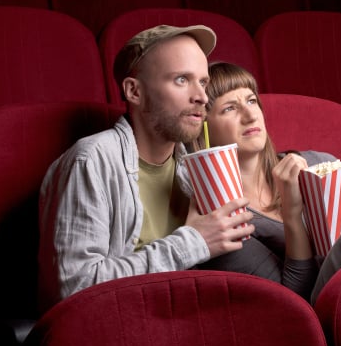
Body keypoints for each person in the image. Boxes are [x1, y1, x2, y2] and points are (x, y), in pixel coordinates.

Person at [37, 24, 255, 313]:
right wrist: (193, 243)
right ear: (134, 91)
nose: (202, 96)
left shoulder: (194, 165)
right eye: (181, 80)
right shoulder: (92, 160)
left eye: (203, 82)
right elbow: (75, 287)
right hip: (121, 329)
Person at [196, 61, 341, 304]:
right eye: (230, 108)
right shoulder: (223, 219)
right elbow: (292, 303)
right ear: (202, 128)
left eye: (251, 101)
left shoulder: (318, 162)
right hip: (315, 314)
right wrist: (293, 214)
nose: (250, 115)